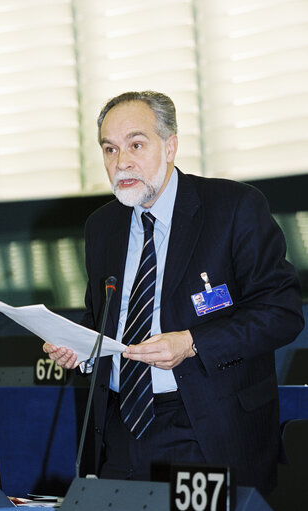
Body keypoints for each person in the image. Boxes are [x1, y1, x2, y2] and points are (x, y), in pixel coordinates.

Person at [43, 90, 304, 496]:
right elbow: (101, 316)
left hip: (206, 427)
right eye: (109, 149)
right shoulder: (102, 226)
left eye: (136, 144)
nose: (121, 161)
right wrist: (79, 346)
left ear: (170, 146)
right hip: (120, 427)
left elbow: (282, 311)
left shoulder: (233, 207)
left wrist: (193, 342)